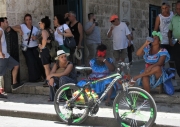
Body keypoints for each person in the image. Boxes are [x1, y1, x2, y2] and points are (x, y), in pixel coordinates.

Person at [12, 14, 45, 82]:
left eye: (30, 19)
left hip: (35, 47)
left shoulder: (35, 29)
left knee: (38, 61)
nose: (29, 21)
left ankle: (41, 76)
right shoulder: (23, 26)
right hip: (26, 48)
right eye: (27, 20)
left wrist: (36, 37)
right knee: (30, 61)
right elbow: (12, 27)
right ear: (25, 21)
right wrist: (19, 30)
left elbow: (40, 37)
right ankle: (33, 78)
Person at [0, 17, 23, 94]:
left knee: (16, 65)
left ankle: (14, 84)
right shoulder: (0, 30)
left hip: (6, 56)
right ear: (2, 23)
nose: (7, 23)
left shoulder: (2, 30)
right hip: (2, 56)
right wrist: (0, 52)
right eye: (6, 22)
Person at [38, 16, 53, 87]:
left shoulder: (44, 31)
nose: (39, 24)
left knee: (46, 67)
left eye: (40, 23)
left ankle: (48, 81)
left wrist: (42, 47)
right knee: (49, 66)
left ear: (43, 24)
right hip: (50, 50)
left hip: (45, 51)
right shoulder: (50, 30)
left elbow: (44, 39)